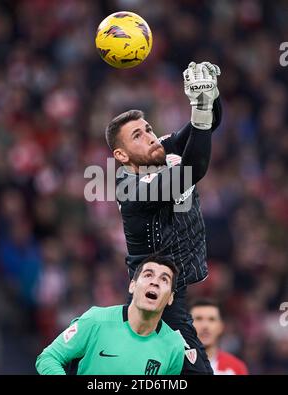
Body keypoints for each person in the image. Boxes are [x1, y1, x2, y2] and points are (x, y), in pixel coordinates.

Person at [105, 61, 222, 374]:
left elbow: (205, 127)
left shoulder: (157, 154)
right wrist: (200, 108)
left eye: (149, 129)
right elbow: (193, 169)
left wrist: (210, 95)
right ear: (122, 155)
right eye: (138, 136)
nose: (151, 137)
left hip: (173, 290)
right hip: (154, 298)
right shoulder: (132, 188)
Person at [36, 254, 186, 375]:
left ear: (171, 297)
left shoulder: (174, 346)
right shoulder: (96, 320)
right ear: (132, 285)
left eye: (164, 279)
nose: (155, 282)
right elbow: (48, 358)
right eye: (148, 275)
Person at [190, 299, 249, 375]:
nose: (205, 326)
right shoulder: (176, 364)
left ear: (221, 327)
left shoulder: (236, 368)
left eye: (211, 319)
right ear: (188, 325)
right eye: (199, 319)